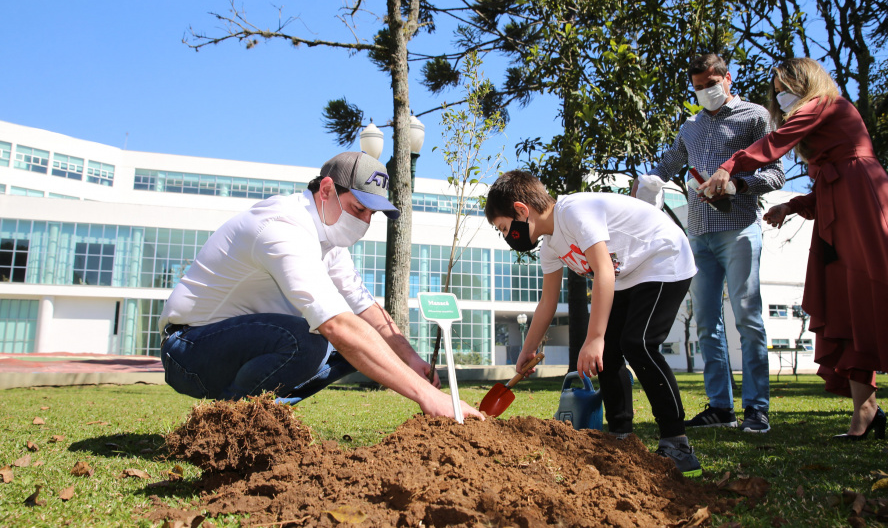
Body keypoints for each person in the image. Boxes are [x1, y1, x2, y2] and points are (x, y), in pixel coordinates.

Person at [158, 151, 483, 421]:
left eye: (373, 214)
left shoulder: (330, 243)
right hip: (189, 349)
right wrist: (426, 396)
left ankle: (262, 416)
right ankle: (231, 419)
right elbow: (338, 324)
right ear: (326, 190)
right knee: (310, 340)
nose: (365, 223)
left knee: (352, 349)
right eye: (359, 209)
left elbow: (365, 307)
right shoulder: (283, 226)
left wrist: (410, 359)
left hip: (236, 347)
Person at [701, 57, 888, 442]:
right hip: (838, 217)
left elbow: (774, 145)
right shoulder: (819, 127)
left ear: (806, 84)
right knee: (845, 307)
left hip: (869, 209)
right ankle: (865, 415)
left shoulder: (825, 104)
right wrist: (793, 205)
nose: (780, 96)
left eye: (786, 88)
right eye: (776, 91)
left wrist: (729, 166)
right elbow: (830, 182)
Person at [485, 170, 703, 478]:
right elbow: (547, 303)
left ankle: (677, 443)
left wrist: (595, 336)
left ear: (522, 210)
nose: (508, 236)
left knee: (637, 343)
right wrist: (528, 349)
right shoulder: (550, 246)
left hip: (664, 256)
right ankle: (620, 436)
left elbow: (603, 271)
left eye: (505, 228)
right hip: (629, 274)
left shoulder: (573, 212)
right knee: (609, 356)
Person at [634, 53, 785, 433]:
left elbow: (776, 174)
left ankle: (756, 409)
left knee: (747, 319)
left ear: (727, 78)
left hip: (739, 228)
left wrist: (738, 184)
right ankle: (721, 407)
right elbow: (668, 163)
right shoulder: (691, 127)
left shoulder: (754, 117)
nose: (705, 92)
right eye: (698, 87)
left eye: (710, 84)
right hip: (698, 234)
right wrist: (649, 180)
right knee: (706, 324)